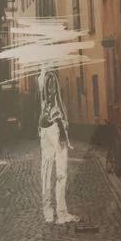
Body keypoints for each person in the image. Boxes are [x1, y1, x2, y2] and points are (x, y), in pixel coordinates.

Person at [37, 66, 78, 225]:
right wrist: (61, 127)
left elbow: (43, 104)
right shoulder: (51, 76)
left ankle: (48, 213)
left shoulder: (41, 76)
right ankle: (61, 213)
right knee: (61, 173)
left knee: (46, 172)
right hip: (55, 126)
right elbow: (52, 103)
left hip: (44, 127)